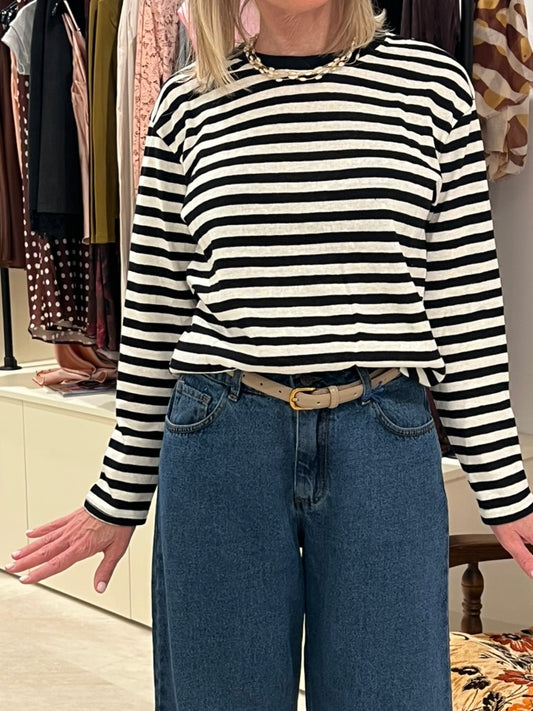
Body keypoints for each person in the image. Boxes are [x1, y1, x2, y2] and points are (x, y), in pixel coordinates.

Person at [6, 1, 533, 708]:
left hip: (381, 438)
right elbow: (156, 314)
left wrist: (504, 489)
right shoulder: (188, 103)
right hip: (223, 440)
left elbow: (465, 306)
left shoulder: (430, 88)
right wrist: (119, 494)